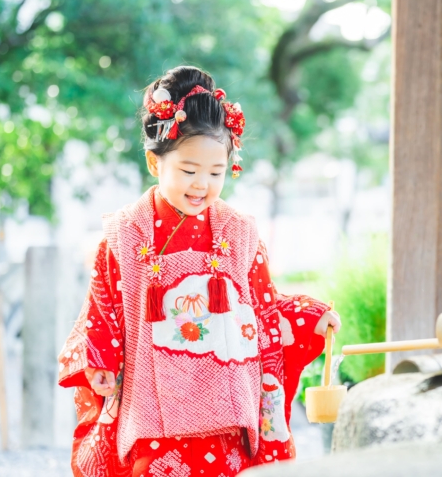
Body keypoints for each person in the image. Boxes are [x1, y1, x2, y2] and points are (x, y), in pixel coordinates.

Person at [58, 65, 341, 477]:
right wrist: (99, 359)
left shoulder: (239, 232)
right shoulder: (123, 234)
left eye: (216, 172)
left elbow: (261, 309)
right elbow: (103, 311)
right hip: (152, 419)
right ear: (155, 164)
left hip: (225, 413)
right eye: (189, 171)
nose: (202, 185)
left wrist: (307, 316)